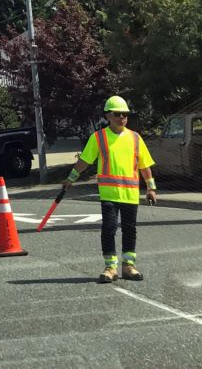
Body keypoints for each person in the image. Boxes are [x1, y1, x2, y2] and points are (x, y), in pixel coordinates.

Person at [62, 95, 158, 283]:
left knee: (130, 230)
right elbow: (84, 161)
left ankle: (128, 267)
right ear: (108, 116)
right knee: (109, 229)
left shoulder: (135, 138)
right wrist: (70, 179)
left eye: (125, 114)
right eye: (117, 114)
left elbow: (144, 165)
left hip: (130, 194)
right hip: (109, 194)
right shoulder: (99, 138)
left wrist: (151, 188)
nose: (122, 117)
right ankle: (110, 268)